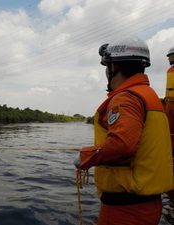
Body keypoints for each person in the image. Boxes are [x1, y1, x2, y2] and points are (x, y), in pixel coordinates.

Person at [74, 35, 173, 225]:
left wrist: (86, 157)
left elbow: (123, 144)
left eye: (106, 66)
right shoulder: (148, 96)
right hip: (146, 205)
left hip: (126, 209)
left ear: (113, 67)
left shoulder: (126, 98)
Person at [165, 46, 174, 151]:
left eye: (170, 56)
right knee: (168, 127)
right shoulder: (169, 70)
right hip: (169, 102)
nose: (168, 58)